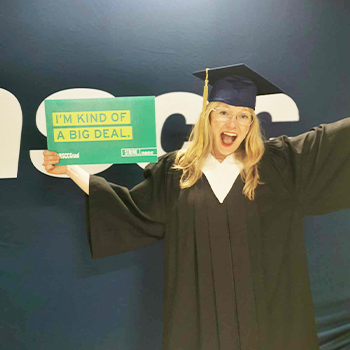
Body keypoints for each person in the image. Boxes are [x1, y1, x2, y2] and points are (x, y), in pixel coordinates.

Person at [43, 64, 350, 350]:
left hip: (266, 319)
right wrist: (71, 169)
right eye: (224, 112)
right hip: (201, 321)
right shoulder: (176, 171)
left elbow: (332, 144)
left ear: (251, 123)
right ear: (208, 117)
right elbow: (132, 208)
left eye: (244, 115)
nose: (233, 123)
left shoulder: (278, 164)